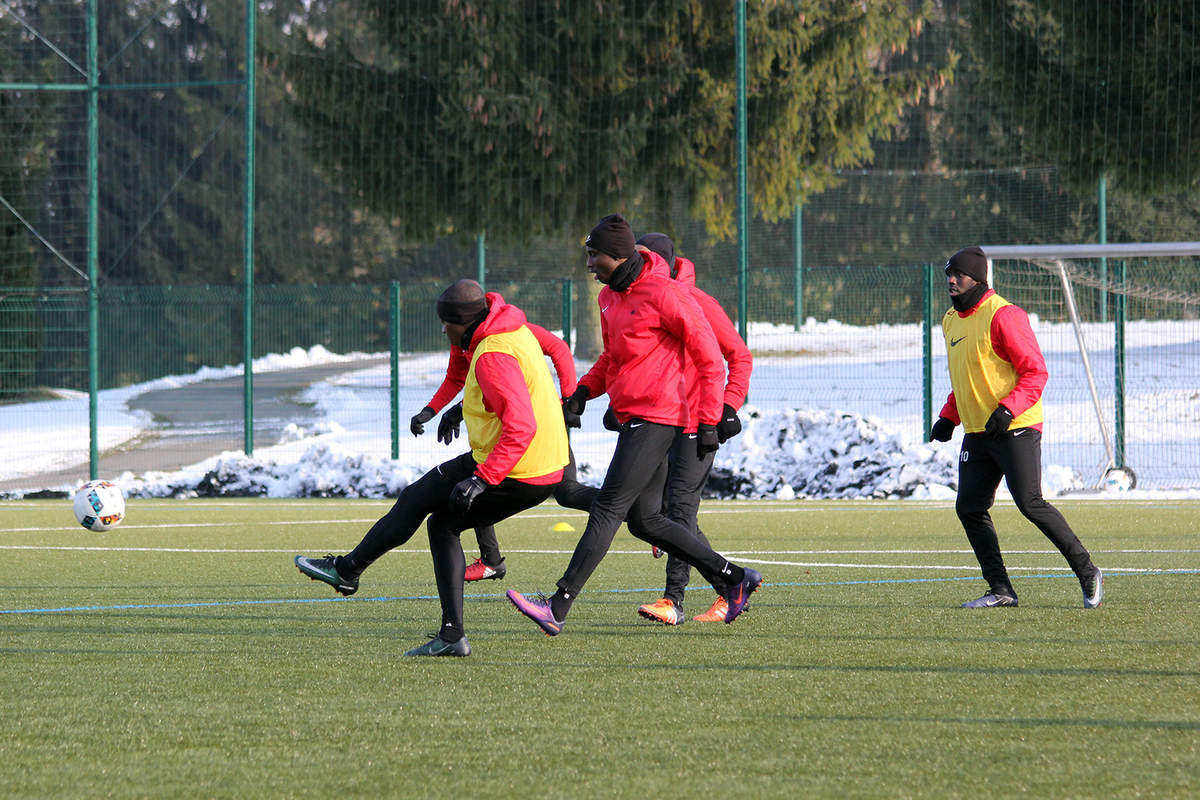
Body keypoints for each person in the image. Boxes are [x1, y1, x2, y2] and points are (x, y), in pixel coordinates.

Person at [506, 214, 762, 635]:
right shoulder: (608, 297)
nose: (588, 263)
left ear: (618, 255)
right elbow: (613, 359)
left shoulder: (668, 294)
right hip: (633, 416)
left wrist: (714, 416)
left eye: (593, 255)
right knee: (646, 520)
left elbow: (712, 359)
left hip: (661, 415)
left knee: (609, 506)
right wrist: (585, 391)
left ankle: (558, 604)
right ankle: (733, 578)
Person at [295, 279, 569, 656]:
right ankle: (435, 625)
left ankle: (351, 573)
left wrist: (481, 480)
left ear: (463, 321)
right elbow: (493, 389)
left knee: (436, 515)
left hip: (520, 466)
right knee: (431, 511)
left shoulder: (491, 353)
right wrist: (454, 409)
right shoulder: (507, 328)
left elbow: (522, 424)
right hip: (531, 460)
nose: (443, 330)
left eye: (446, 323)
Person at [930, 246, 1103, 609]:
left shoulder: (1004, 314)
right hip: (977, 432)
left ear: (977, 278)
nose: (951, 280)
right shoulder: (950, 319)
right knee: (969, 508)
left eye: (958, 274)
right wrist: (949, 416)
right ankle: (1001, 590)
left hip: (1016, 427)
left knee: (1030, 502)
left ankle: (1088, 572)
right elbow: (966, 378)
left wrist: (1007, 411)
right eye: (948, 274)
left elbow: (1035, 371)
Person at [632, 232, 753, 625]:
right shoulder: (638, 299)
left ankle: (673, 600)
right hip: (656, 423)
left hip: (698, 424)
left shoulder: (698, 302)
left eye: (647, 257)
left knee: (680, 508)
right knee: (664, 515)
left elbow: (739, 356)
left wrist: (729, 407)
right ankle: (731, 587)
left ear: (665, 261)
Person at [409, 308, 579, 583]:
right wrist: (432, 411)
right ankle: (491, 560)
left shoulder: (510, 333)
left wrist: (570, 397)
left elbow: (558, 348)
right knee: (477, 481)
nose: (445, 329)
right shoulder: (464, 340)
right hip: (508, 435)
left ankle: (634, 514)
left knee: (569, 492)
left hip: (538, 434)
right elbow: (459, 379)